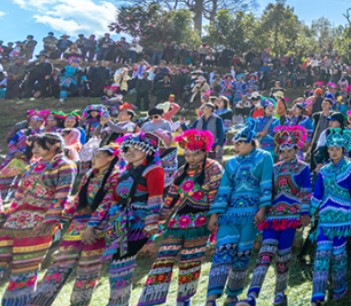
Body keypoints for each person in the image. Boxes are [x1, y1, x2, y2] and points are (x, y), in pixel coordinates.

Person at [138, 130, 223, 306]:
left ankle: (184, 301)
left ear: (205, 152)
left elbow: (216, 195)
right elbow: (170, 199)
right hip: (178, 222)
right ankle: (150, 300)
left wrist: (214, 217)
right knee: (163, 258)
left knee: (189, 262)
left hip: (200, 222)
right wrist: (158, 222)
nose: (191, 158)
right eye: (188, 154)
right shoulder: (180, 172)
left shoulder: (213, 167)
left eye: (195, 154)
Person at [32, 145, 120, 306]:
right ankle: (39, 302)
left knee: (88, 270)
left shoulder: (116, 177)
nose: (94, 159)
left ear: (111, 158)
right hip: (77, 225)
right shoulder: (89, 175)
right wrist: (60, 218)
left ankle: (79, 303)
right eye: (94, 155)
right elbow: (78, 199)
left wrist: (91, 227)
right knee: (59, 265)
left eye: (98, 155)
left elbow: (106, 204)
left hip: (98, 229)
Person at [0, 133, 77, 306]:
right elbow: (19, 192)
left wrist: (50, 221)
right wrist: (9, 212)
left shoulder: (65, 165)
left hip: (39, 223)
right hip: (13, 222)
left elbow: (62, 195)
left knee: (24, 269)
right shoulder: (33, 165)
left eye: (38, 146)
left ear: (55, 145)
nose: (33, 149)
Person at [206, 120, 273, 306]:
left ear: (251, 142)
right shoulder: (231, 163)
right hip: (230, 213)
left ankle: (233, 295)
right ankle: (211, 297)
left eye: (240, 143)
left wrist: (262, 208)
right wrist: (215, 214)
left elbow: (266, 183)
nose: (236, 146)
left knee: (242, 254)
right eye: (234, 143)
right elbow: (224, 188)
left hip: (251, 213)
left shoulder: (264, 157)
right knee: (222, 251)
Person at [242, 126, 311, 306]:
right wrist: (262, 210)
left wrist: (305, 213)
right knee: (265, 252)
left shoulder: (303, 168)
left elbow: (305, 192)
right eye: (283, 151)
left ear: (296, 149)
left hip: (291, 216)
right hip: (272, 217)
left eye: (290, 150)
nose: (286, 154)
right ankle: (252, 294)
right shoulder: (274, 168)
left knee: (283, 253)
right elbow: (266, 190)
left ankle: (280, 291)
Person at [103, 132, 165, 306]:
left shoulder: (154, 170)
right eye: (128, 148)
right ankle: (116, 301)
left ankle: (118, 302)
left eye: (137, 148)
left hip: (139, 224)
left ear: (147, 151)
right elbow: (115, 199)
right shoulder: (124, 172)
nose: (130, 152)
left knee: (123, 263)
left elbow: (155, 200)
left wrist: (151, 234)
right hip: (120, 224)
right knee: (116, 265)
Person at [309, 128, 351, 306]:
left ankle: (339, 288)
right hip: (326, 219)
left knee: (338, 254)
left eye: (337, 148)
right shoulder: (324, 171)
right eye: (330, 149)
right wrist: (308, 213)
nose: (333, 151)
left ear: (343, 149)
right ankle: (317, 295)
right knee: (321, 254)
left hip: (343, 219)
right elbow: (317, 195)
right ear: (327, 150)